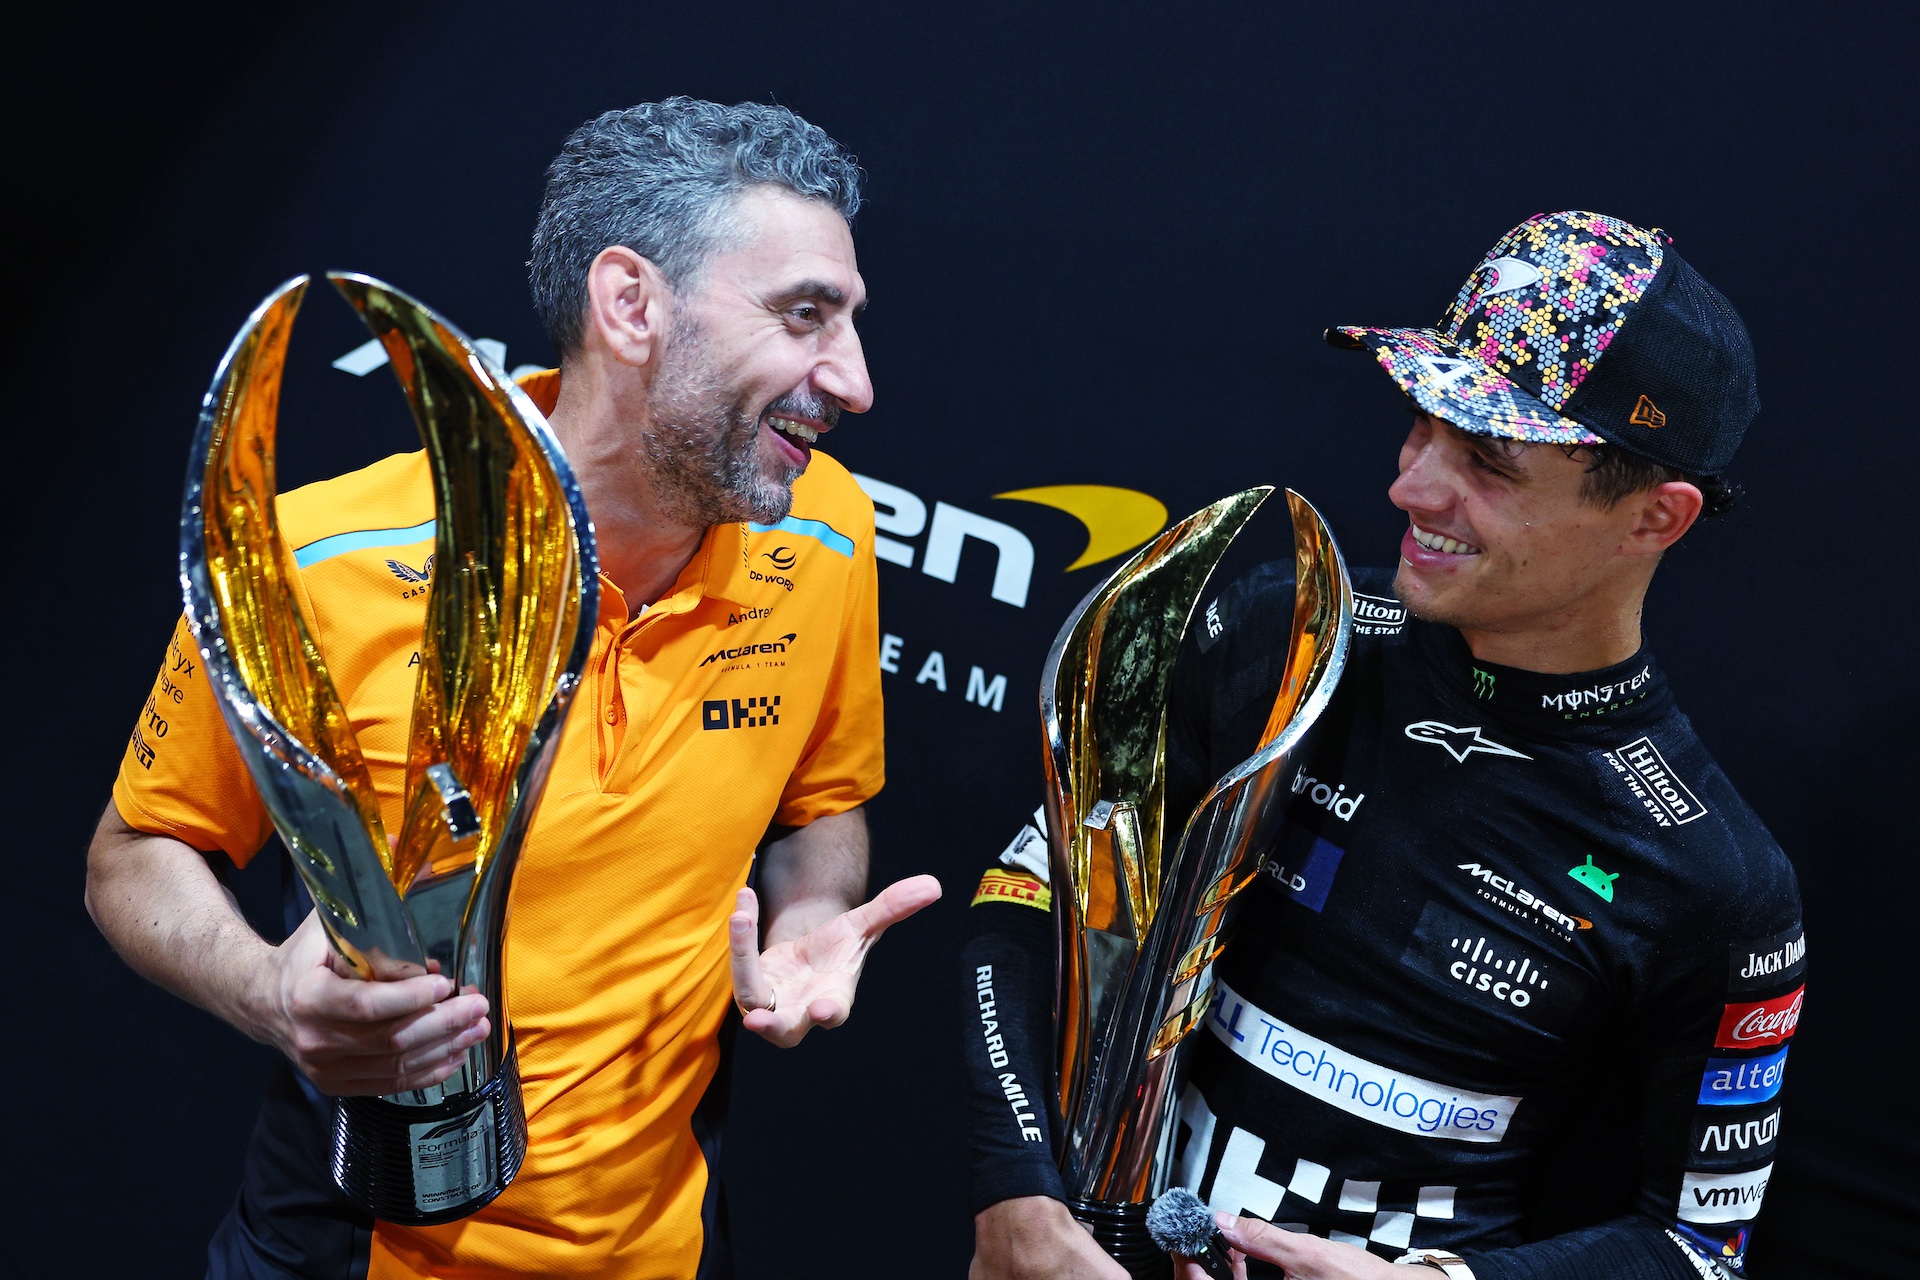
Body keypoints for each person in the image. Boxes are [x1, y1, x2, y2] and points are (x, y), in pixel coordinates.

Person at [87, 98, 940, 1280]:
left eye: (847, 321)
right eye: (805, 316)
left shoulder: (829, 531)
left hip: (669, 1247)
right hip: (349, 1246)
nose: (853, 379)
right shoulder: (316, 558)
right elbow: (134, 853)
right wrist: (264, 989)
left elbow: (821, 805)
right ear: (632, 304)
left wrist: (803, 919)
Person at [963, 211, 1799, 1280]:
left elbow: (1697, 1246)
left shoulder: (1714, 875)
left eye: (1488, 461)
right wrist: (1018, 1192)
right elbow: (1038, 890)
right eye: (1421, 424)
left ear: (1655, 516)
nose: (1411, 486)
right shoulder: (1291, 632)